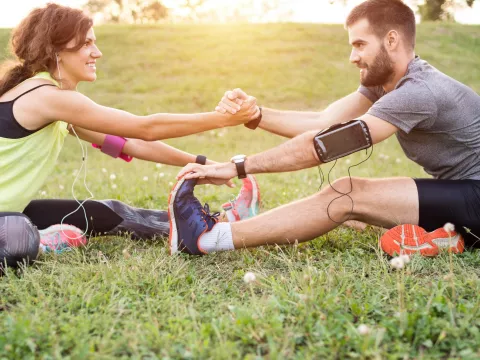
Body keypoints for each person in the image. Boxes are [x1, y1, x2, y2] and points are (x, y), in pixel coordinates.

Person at [169, 0, 480, 257]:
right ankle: (447, 237)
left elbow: (325, 145)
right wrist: (256, 115)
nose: (352, 57)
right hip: (465, 193)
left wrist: (237, 167)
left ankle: (207, 239)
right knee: (360, 215)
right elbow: (322, 122)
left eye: (360, 44)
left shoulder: (418, 91)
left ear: (391, 40)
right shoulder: (388, 84)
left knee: (345, 194)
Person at [0, 3, 261, 267]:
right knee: (17, 235)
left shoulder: (54, 105)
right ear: (56, 49)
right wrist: (224, 119)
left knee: (109, 212)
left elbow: (131, 143)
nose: (97, 53)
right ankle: (42, 241)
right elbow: (145, 128)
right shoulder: (45, 97)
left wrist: (205, 166)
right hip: (9, 222)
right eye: (86, 43)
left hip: (9, 214)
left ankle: (218, 227)